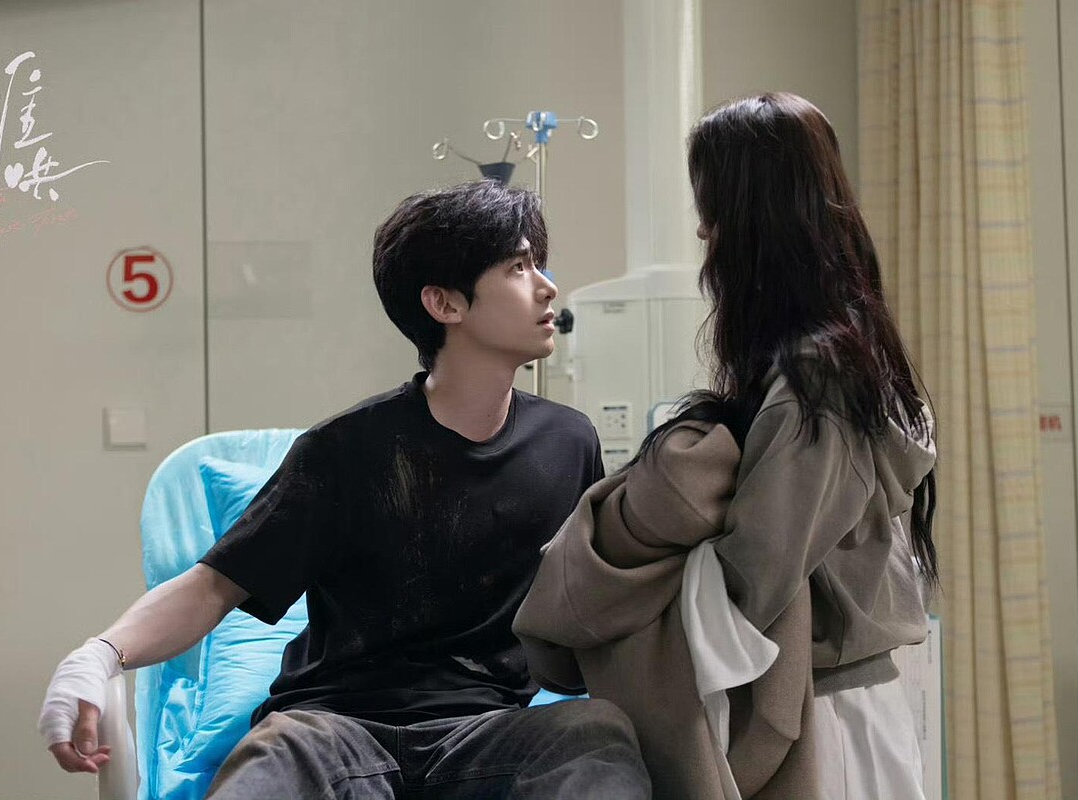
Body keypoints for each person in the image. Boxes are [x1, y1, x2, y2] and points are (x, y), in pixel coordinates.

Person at [38, 180, 652, 799]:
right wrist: (100, 655)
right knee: (274, 757)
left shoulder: (567, 442)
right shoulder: (346, 451)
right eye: (518, 268)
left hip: (487, 736)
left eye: (539, 265)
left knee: (594, 732)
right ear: (444, 303)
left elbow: (592, 601)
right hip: (332, 734)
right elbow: (213, 587)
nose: (547, 287)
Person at [682, 91, 938, 799]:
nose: (702, 229)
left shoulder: (816, 378)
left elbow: (757, 571)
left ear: (751, 214)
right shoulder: (847, 352)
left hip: (828, 718)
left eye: (711, 204)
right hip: (850, 707)